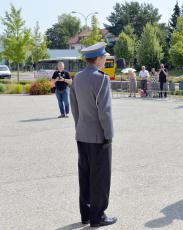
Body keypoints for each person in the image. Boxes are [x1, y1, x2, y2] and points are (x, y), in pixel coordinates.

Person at [69, 42, 117, 227]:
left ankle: (86, 214)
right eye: (104, 57)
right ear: (98, 59)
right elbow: (104, 111)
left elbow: (75, 107)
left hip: (82, 134)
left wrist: (79, 126)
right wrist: (109, 134)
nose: (105, 59)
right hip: (99, 136)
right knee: (101, 176)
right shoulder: (101, 79)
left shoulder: (78, 77)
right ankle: (98, 216)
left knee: (85, 174)